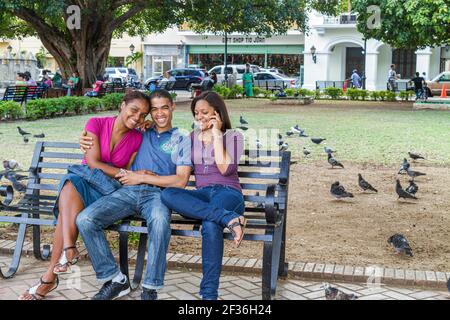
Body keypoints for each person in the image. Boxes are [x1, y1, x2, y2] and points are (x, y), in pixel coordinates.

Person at [18, 91, 151, 300]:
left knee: (67, 202)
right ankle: (66, 253)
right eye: (134, 110)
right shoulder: (96, 123)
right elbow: (92, 163)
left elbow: (123, 170)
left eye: (143, 115)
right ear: (122, 105)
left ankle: (53, 273)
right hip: (84, 180)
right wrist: (123, 173)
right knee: (71, 185)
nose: (137, 118)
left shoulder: (137, 138)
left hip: (106, 191)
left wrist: (127, 172)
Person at [76, 89, 192, 300]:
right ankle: (115, 279)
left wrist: (142, 178)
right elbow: (109, 133)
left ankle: (150, 287)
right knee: (85, 219)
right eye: (154, 110)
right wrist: (83, 138)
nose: (159, 114)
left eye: (164, 107)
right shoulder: (140, 132)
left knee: (159, 221)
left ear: (173, 107)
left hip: (158, 195)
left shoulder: (182, 139)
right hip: (127, 191)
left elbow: (180, 180)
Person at [160, 91, 245, 300]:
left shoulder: (233, 136)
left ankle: (209, 295)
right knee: (168, 194)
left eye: (204, 112)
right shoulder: (190, 138)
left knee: (209, 225)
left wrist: (216, 134)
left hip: (228, 193)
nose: (199, 117)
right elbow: (173, 161)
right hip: (203, 194)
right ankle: (228, 219)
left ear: (217, 112)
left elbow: (225, 169)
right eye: (196, 113)